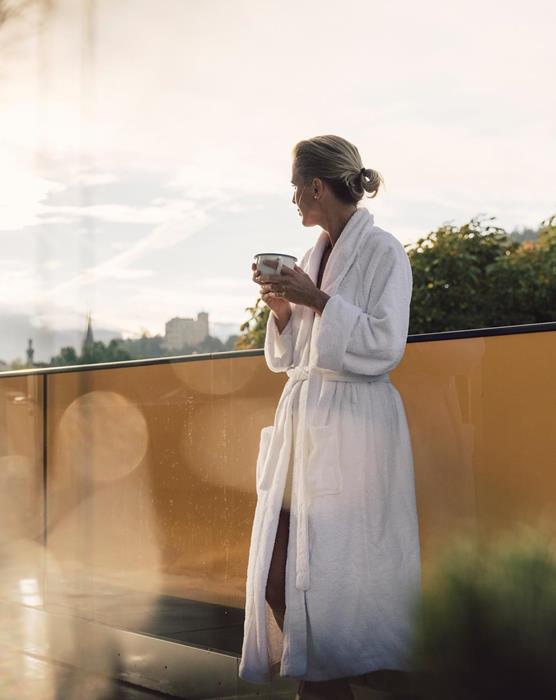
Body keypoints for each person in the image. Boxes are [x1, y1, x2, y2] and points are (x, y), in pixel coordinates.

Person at [239, 135, 422, 700]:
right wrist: (285, 308)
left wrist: (316, 300)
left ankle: (326, 687)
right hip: (307, 422)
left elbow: (385, 345)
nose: (293, 197)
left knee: (332, 577)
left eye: (297, 186)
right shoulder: (316, 253)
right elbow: (299, 356)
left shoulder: (384, 252)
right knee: (279, 569)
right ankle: (327, 681)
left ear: (317, 186)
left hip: (354, 428)